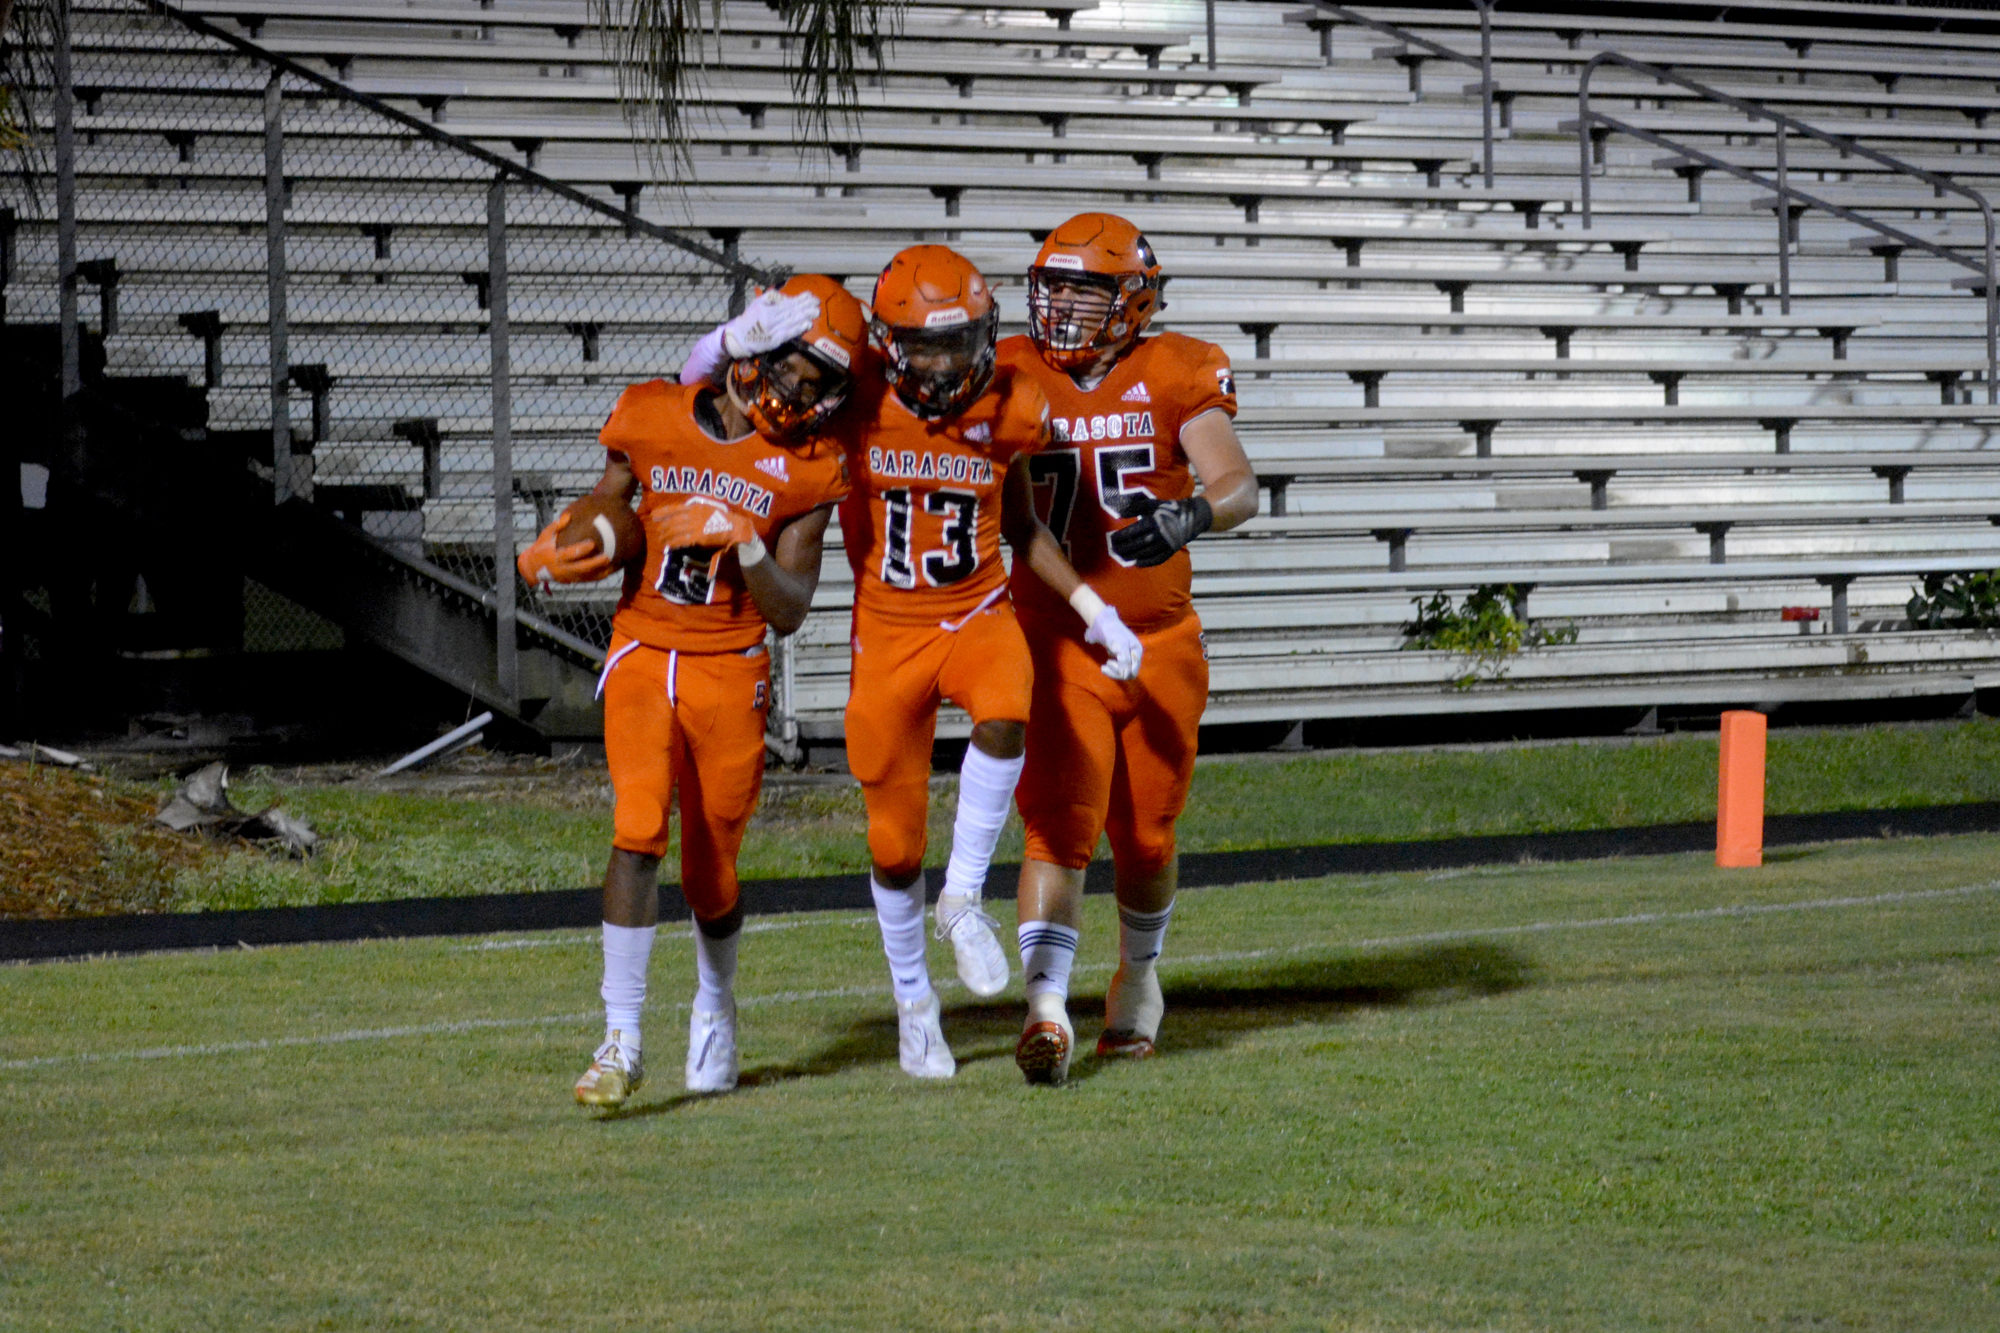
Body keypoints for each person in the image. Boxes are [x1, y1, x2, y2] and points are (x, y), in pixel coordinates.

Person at [517, 275, 863, 1109]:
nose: (800, 398)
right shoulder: (653, 412)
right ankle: (621, 1038)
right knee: (638, 830)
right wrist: (571, 545)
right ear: (759, 350)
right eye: (795, 374)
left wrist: (744, 539)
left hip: (730, 663)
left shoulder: (813, 469)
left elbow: (789, 610)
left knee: (713, 870)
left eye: (820, 389)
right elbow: (612, 507)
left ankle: (716, 1000)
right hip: (643, 648)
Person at [831, 245, 1146, 1079]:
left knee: (1010, 705)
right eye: (928, 346)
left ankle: (963, 895)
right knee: (894, 845)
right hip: (888, 632)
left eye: (963, 341)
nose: (947, 362)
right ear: (891, 345)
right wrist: (724, 345)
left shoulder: (1011, 406)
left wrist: (1095, 609)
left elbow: (1025, 528)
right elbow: (723, 383)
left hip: (974, 609)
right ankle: (913, 1002)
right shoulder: (855, 396)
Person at [999, 213, 1260, 1085]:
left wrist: (1191, 515)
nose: (1062, 305)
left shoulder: (1178, 368)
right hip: (1056, 640)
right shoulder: (1015, 371)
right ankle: (1045, 1008)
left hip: (1159, 642)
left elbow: (1236, 482)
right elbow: (1018, 519)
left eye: (1086, 288)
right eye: (1054, 285)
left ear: (1134, 299)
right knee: (1057, 826)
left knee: (1147, 835)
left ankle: (1139, 982)